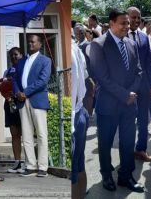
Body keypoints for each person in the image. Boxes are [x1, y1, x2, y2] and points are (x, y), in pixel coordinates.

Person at [89, 9, 144, 193]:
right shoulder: (98, 44)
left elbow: (138, 71)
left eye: (128, 23)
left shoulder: (131, 43)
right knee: (105, 142)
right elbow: (102, 78)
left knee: (128, 142)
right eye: (123, 23)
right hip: (109, 104)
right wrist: (124, 94)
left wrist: (132, 93)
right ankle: (106, 175)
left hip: (129, 104)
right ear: (111, 23)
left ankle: (126, 175)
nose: (127, 27)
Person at [12, 34, 52, 178]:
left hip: (37, 100)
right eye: (28, 42)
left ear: (40, 44)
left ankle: (42, 167)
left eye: (33, 42)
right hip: (22, 101)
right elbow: (15, 79)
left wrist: (25, 92)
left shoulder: (45, 61)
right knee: (27, 135)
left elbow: (43, 80)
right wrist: (17, 93)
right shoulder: (21, 61)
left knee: (41, 134)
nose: (30, 44)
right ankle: (30, 166)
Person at [127, 7, 151, 163]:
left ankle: (141, 149)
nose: (137, 20)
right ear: (126, 17)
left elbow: (148, 63)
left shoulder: (144, 37)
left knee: (144, 119)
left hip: (144, 85)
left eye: (139, 18)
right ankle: (127, 151)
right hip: (127, 86)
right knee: (128, 119)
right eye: (134, 17)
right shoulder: (120, 37)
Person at [0, 47, 24, 174]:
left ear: (21, 55)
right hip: (10, 103)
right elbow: (3, 88)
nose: (14, 57)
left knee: (26, 132)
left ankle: (29, 163)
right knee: (14, 133)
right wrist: (6, 94)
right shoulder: (7, 71)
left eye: (16, 54)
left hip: (23, 102)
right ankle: (17, 162)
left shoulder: (25, 70)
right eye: (11, 55)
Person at [71, 35, 89, 199]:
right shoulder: (75, 48)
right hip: (79, 111)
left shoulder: (71, 50)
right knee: (78, 164)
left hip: (75, 115)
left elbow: (78, 86)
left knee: (75, 167)